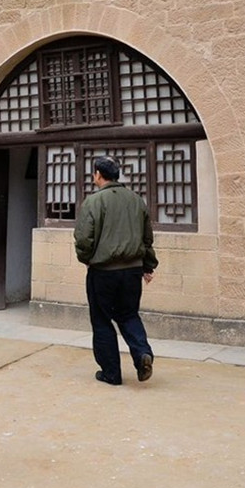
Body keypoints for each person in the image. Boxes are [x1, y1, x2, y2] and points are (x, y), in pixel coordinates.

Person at [73, 156, 158, 386]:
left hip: (103, 272)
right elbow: (147, 238)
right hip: (132, 271)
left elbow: (83, 238)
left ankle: (111, 373)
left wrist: (87, 259)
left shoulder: (93, 202)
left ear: (98, 175)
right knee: (129, 314)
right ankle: (142, 353)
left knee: (101, 321)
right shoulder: (136, 200)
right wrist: (148, 266)